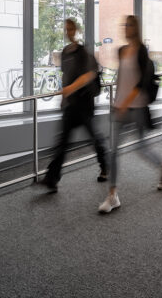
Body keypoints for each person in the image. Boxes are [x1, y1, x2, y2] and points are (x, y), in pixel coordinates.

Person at [99, 15, 162, 214]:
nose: (126, 28)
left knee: (141, 147)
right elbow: (121, 80)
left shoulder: (141, 51)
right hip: (120, 107)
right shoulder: (122, 50)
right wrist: (117, 102)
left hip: (137, 107)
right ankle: (112, 195)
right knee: (113, 151)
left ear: (136, 28)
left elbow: (140, 83)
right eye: (125, 24)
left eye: (130, 25)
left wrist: (124, 103)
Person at [40, 18, 108, 192]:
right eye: (66, 29)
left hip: (84, 104)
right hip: (70, 105)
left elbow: (89, 75)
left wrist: (70, 88)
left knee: (94, 137)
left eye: (71, 29)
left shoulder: (84, 52)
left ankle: (106, 166)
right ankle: (52, 178)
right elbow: (65, 76)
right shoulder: (65, 52)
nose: (68, 32)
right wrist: (64, 97)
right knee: (62, 142)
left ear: (76, 30)